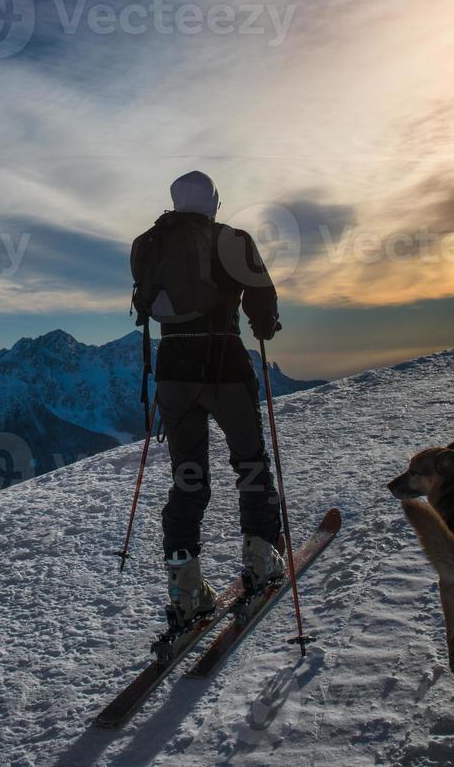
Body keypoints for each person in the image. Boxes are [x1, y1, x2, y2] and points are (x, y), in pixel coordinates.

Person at [130, 170, 284, 629]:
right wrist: (265, 324)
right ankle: (261, 557)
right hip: (224, 365)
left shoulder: (148, 243)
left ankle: (186, 586)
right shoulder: (233, 240)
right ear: (214, 201)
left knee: (188, 476)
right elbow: (262, 303)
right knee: (250, 463)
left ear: (175, 202)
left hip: (173, 369)